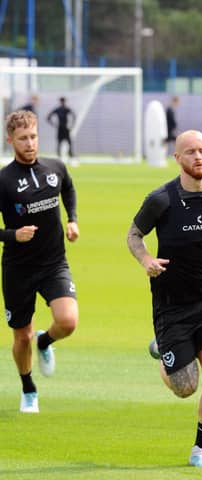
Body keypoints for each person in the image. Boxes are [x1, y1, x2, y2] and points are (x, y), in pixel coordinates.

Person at [127, 129, 202, 469]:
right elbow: (134, 234)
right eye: (190, 151)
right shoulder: (161, 199)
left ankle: (200, 451)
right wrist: (146, 260)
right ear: (177, 158)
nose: (198, 157)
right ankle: (163, 352)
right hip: (171, 304)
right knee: (185, 386)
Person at [0, 110, 80, 413]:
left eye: (33, 136)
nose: (30, 143)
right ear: (10, 141)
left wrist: (72, 220)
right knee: (22, 335)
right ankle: (28, 389)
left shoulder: (55, 168)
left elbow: (68, 188)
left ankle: (46, 342)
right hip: (18, 269)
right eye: (23, 139)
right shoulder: (4, 180)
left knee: (68, 321)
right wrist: (12, 235)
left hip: (53, 263)